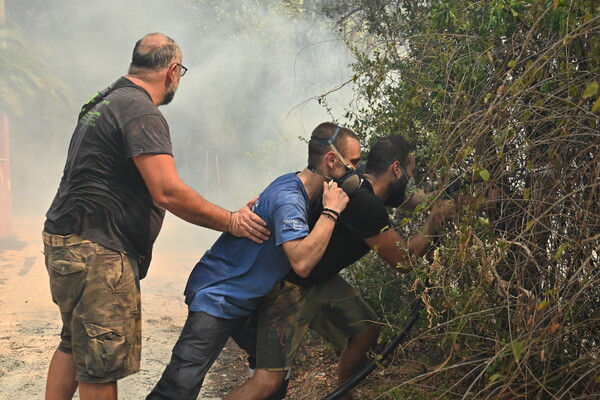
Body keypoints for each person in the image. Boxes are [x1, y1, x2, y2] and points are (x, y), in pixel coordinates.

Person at [42, 33, 270, 400]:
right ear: (172, 72)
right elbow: (167, 190)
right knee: (100, 366)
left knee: (73, 344)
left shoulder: (103, 100)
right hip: (100, 250)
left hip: (65, 241)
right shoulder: (141, 110)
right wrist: (232, 221)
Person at [224, 135, 459, 400]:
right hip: (288, 288)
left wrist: (453, 201)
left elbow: (409, 199)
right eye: (411, 172)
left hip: (318, 280)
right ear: (396, 169)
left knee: (366, 330)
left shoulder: (359, 181)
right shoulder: (366, 205)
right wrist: (433, 221)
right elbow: (404, 261)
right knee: (268, 381)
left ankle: (342, 394)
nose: (411, 179)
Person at [146, 122, 361, 400]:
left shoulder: (301, 189)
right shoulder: (290, 199)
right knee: (178, 388)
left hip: (247, 301)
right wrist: (331, 212)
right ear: (332, 160)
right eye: (353, 163)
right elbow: (302, 262)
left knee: (272, 373)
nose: (356, 172)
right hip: (219, 296)